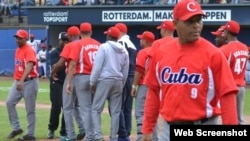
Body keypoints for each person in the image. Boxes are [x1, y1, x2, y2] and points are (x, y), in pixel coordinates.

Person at [141, 0, 239, 141]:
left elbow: (227, 95)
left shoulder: (213, 54)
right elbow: (154, 92)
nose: (196, 25)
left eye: (199, 20)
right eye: (190, 21)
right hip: (169, 129)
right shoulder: (161, 53)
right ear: (175, 24)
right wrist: (147, 129)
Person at [90, 26, 129, 141]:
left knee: (96, 109)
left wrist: (92, 82)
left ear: (109, 36)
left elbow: (97, 67)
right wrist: (121, 84)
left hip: (104, 80)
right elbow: (125, 71)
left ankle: (98, 136)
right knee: (116, 112)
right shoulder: (124, 50)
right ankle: (113, 137)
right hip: (118, 81)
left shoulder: (104, 47)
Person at [66, 22, 101, 141]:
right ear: (91, 32)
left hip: (82, 76)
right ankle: (97, 134)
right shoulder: (98, 44)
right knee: (94, 109)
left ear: (80, 33)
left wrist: (69, 82)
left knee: (85, 109)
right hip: (96, 78)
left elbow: (72, 64)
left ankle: (90, 136)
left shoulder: (77, 44)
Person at [51, 26, 85, 141]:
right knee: (80, 106)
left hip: (73, 76)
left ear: (70, 36)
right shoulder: (86, 44)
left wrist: (53, 72)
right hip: (86, 77)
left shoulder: (70, 45)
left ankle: (70, 136)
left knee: (67, 107)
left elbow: (61, 63)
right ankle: (83, 127)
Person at [6, 29, 39, 141]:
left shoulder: (29, 50)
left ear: (25, 38)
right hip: (19, 81)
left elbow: (29, 66)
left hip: (30, 81)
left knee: (30, 109)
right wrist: (17, 79)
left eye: (20, 38)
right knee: (9, 102)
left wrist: (21, 80)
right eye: (16, 38)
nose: (17, 40)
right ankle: (17, 128)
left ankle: (30, 135)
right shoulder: (17, 50)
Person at [130, 31, 158, 141]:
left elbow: (139, 70)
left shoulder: (143, 52)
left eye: (141, 39)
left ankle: (141, 138)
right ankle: (154, 138)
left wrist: (134, 86)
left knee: (140, 113)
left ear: (145, 41)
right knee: (152, 115)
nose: (140, 40)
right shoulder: (158, 51)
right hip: (155, 86)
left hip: (144, 85)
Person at [219, 20, 249, 125]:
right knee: (240, 119)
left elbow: (223, 71)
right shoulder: (245, 47)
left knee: (229, 120)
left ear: (227, 31)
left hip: (230, 88)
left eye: (225, 31)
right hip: (241, 86)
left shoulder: (225, 49)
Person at [114, 22, 137, 141]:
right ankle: (126, 132)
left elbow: (121, 62)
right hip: (132, 77)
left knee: (119, 107)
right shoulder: (132, 44)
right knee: (127, 108)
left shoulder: (121, 42)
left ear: (121, 31)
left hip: (125, 76)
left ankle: (123, 135)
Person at [47, 32, 69, 139]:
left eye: (67, 40)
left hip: (67, 81)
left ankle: (64, 131)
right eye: (63, 40)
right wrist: (63, 62)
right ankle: (51, 128)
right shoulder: (55, 52)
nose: (65, 42)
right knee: (56, 106)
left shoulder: (70, 50)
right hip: (57, 81)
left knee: (67, 107)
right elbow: (55, 66)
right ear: (59, 40)